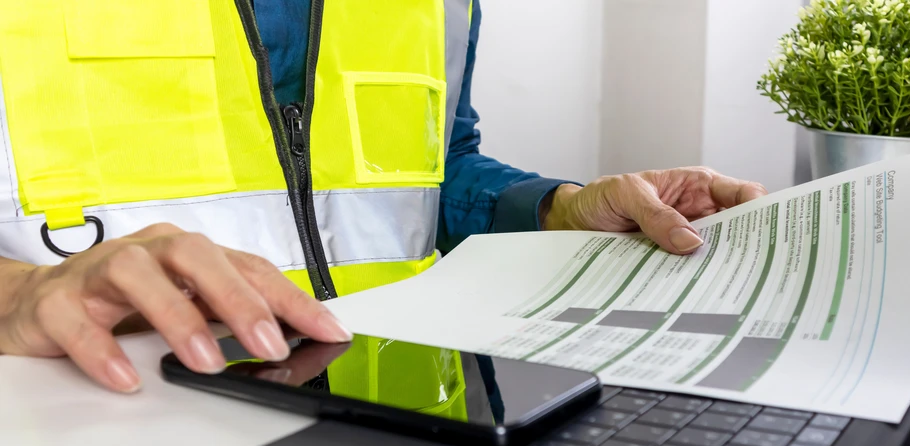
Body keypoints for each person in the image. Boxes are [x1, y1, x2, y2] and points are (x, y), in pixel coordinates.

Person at [0, 0, 765, 394]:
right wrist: (19, 294)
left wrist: (558, 207)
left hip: (398, 425)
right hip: (91, 435)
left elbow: (432, 170)